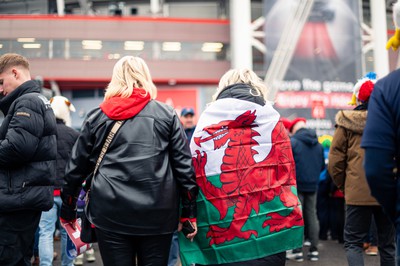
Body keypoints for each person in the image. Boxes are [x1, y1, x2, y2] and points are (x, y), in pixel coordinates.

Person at [60, 56, 198, 266]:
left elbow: (75, 170)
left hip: (110, 212)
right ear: (146, 78)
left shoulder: (97, 117)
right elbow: (184, 168)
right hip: (158, 212)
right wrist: (189, 213)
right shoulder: (167, 115)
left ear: (115, 80)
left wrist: (68, 209)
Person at [181, 68, 304, 266]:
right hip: (269, 241)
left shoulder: (208, 119)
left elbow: (192, 175)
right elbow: (287, 174)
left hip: (221, 247)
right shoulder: (272, 118)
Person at [329, 72, 395, 266]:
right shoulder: (391, 121)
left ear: (358, 97)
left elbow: (335, 161)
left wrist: (345, 186)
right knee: (388, 245)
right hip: (386, 190)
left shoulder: (346, 123)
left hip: (357, 192)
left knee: (353, 244)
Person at [0, 53, 57, 265]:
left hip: (17, 199)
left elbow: (16, 148)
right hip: (23, 197)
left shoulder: (27, 103)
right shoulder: (38, 100)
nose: (0, 89)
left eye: (1, 81)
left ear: (15, 72)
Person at [360, 70, 400, 265]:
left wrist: (395, 209)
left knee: (352, 239)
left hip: (359, 193)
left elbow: (375, 168)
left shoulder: (389, 87)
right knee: (387, 244)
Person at [38, 96, 79, 266]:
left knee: (45, 232)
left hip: (47, 191)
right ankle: (67, 264)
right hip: (67, 194)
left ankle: (45, 264)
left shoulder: (42, 133)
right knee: (66, 232)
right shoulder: (74, 135)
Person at [286, 117, 324, 262]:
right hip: (313, 185)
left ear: (294, 128)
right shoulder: (318, 145)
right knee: (312, 216)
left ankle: (297, 250)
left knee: (297, 216)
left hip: (297, 185)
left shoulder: (293, 142)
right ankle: (314, 250)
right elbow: (321, 166)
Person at [167, 107, 197, 266]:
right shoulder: (175, 134)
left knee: (190, 229)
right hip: (176, 187)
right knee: (174, 231)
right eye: (187, 116)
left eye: (191, 116)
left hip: (190, 186)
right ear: (182, 118)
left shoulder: (198, 134)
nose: (190, 119)